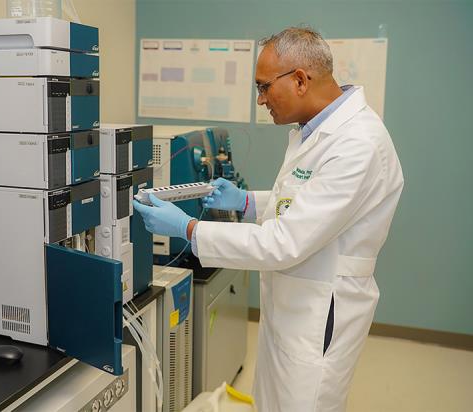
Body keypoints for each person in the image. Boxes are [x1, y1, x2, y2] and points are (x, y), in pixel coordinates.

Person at [133, 26, 404, 411]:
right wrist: (247, 203)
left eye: (263, 87)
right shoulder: (311, 131)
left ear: (299, 80)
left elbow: (285, 242)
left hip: (318, 311)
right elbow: (298, 204)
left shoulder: (357, 145)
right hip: (292, 302)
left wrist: (188, 229)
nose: (260, 100)